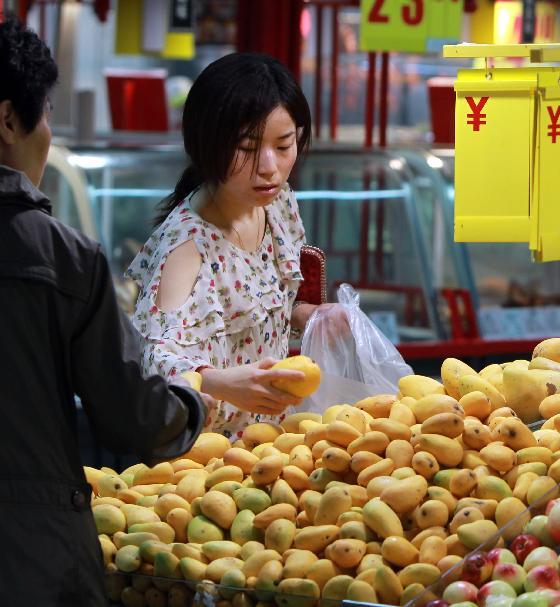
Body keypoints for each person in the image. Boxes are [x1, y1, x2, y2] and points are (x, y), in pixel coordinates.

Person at [0, 19, 207, 605]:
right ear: (8, 120)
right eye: (44, 115)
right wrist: (193, 403)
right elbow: (132, 417)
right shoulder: (60, 258)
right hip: (27, 558)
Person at [127, 53, 342, 438]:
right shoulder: (187, 245)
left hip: (269, 446)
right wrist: (219, 382)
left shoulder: (279, 206)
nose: (268, 167)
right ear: (206, 144)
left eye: (284, 145)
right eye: (246, 147)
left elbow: (270, 305)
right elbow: (151, 357)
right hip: (202, 461)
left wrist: (307, 316)